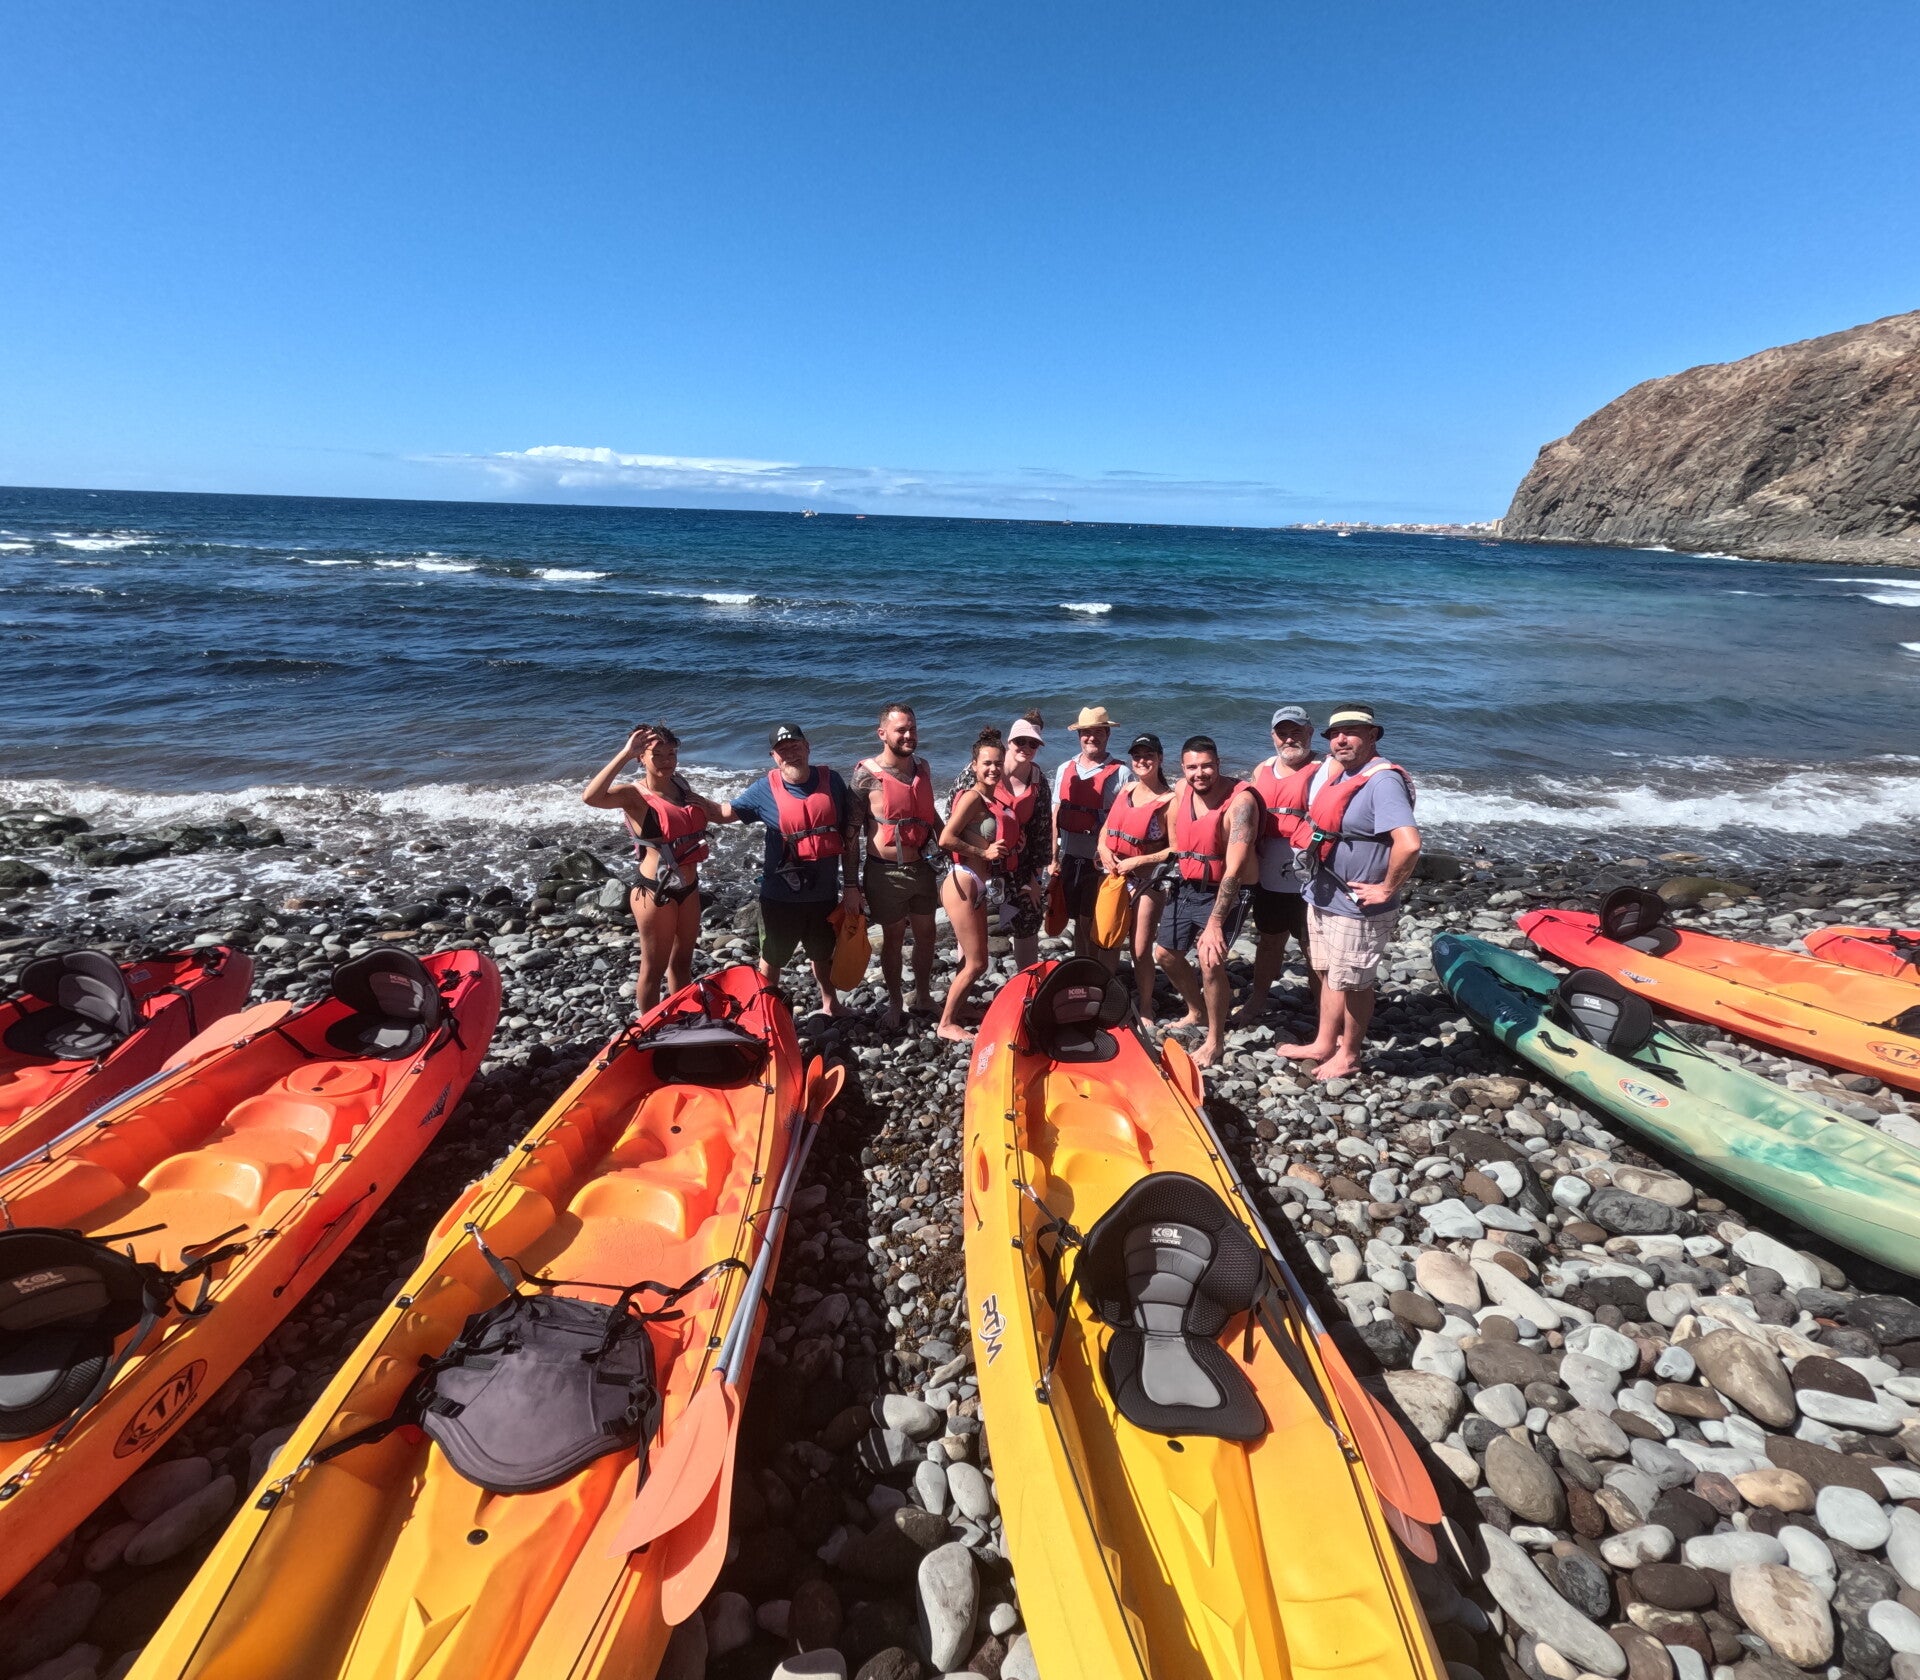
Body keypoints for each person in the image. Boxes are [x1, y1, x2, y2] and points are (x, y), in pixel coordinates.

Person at [1278, 704, 1420, 1081]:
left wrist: (1387, 888)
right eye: (1334, 734)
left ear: (1372, 736)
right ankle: (1324, 1043)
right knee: (1328, 974)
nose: (1341, 739)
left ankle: (1349, 1054)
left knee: (1355, 982)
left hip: (1358, 907)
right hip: (1325, 895)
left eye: (1352, 731)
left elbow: (1408, 844)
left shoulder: (1381, 781)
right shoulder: (1342, 775)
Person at [580, 724, 729, 1013]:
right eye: (656, 754)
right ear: (642, 758)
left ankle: (683, 1019)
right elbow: (591, 797)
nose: (666, 760)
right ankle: (648, 1029)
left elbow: (712, 815)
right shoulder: (633, 796)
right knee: (654, 967)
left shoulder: (681, 785)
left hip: (689, 887)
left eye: (671, 753)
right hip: (654, 893)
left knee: (683, 961)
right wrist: (624, 753)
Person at [725, 722, 863, 1016]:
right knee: (772, 956)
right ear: (773, 756)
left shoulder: (833, 781)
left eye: (795, 746)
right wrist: (688, 802)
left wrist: (852, 886)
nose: (790, 753)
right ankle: (764, 1011)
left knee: (823, 953)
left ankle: (831, 1004)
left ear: (807, 746)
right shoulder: (764, 789)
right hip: (778, 896)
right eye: (782, 749)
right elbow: (726, 813)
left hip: (823, 892)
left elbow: (850, 834)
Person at [1161, 737, 1261, 1068]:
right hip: (1187, 883)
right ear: (1182, 767)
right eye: (1192, 767)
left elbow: (1234, 869)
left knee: (1210, 960)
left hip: (1225, 889)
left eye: (1206, 766)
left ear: (1218, 764)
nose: (1199, 773)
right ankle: (1196, 1010)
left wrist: (1215, 923)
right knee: (1165, 955)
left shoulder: (1241, 803)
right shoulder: (1181, 789)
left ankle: (1215, 1041)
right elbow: (1174, 825)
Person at [851, 703, 939, 1029]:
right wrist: (850, 885)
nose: (908, 735)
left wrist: (951, 844)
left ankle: (924, 995)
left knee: (927, 935)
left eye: (912, 728)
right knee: (893, 939)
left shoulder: (923, 768)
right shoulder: (865, 775)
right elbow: (850, 836)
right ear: (882, 733)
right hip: (885, 873)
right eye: (901, 729)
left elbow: (932, 815)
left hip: (923, 868)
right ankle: (896, 1002)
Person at [1231, 705, 1321, 1024]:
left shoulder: (1325, 769)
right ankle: (1257, 999)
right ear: (1273, 736)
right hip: (1269, 869)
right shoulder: (1262, 769)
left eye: (1296, 731)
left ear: (1310, 732)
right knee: (1269, 939)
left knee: (1313, 945)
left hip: (1309, 870)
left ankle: (1323, 1007)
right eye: (1282, 732)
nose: (1289, 738)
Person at [935, 728, 1015, 1043]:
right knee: (979, 962)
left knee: (973, 959)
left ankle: (962, 1006)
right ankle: (946, 1023)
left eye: (998, 763)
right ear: (974, 765)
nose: (993, 768)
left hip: (976, 883)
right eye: (986, 763)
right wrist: (985, 852)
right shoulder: (971, 797)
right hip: (962, 881)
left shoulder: (989, 798)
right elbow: (945, 838)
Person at [1098, 732, 1177, 1020]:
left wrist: (1138, 861)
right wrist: (1103, 849)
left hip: (1148, 882)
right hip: (1115, 878)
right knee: (1108, 940)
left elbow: (1175, 849)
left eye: (1149, 755)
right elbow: (1107, 829)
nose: (1142, 760)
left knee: (1141, 948)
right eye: (1137, 755)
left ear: (1160, 759)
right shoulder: (1126, 790)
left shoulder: (1169, 800)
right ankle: (1105, 998)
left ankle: (1145, 1006)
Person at [1053, 705, 1131, 961]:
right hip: (1069, 858)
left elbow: (1129, 820)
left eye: (1098, 732)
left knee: (1099, 921)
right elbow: (1056, 815)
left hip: (1103, 863)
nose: (1092, 737)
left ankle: (1101, 974)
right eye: (1086, 732)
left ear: (1108, 734)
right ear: (1079, 736)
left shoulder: (1122, 773)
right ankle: (1082, 967)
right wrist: (1053, 858)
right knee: (1077, 920)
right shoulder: (1065, 769)